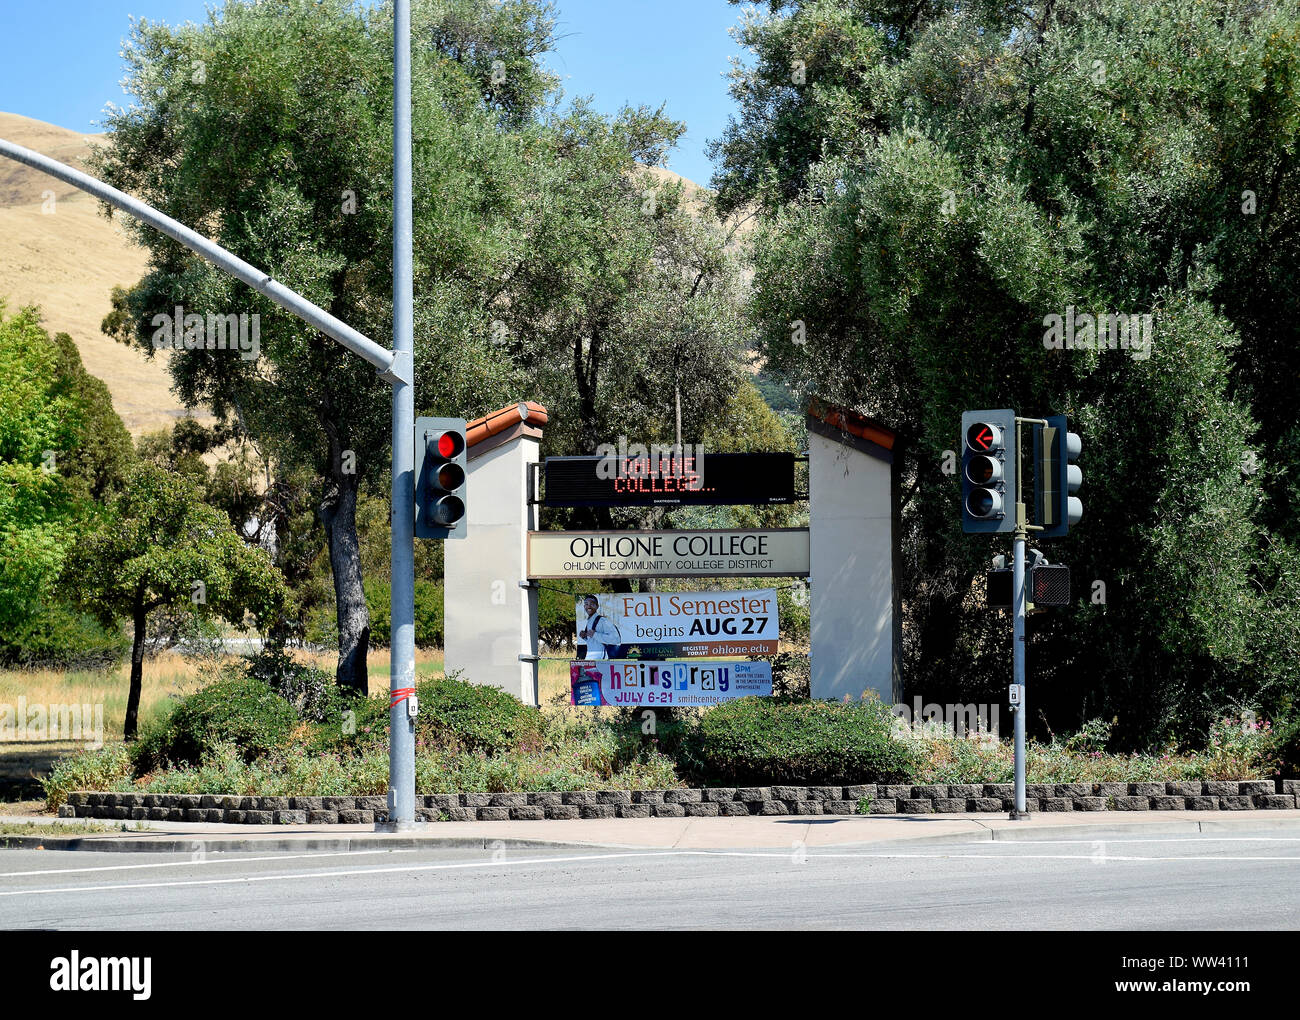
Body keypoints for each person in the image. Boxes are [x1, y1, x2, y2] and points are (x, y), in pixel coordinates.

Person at [577, 595, 622, 660]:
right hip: (590, 658)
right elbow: (595, 642)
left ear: (597, 606)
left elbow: (616, 639)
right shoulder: (589, 621)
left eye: (592, 604)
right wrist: (585, 637)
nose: (589, 606)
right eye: (586, 604)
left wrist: (595, 634)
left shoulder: (603, 621)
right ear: (584, 606)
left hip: (600, 660)